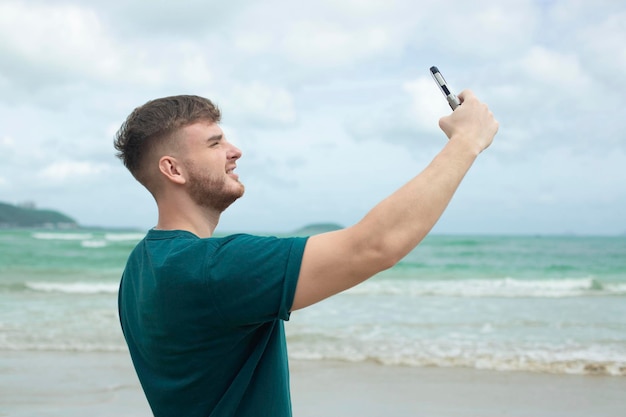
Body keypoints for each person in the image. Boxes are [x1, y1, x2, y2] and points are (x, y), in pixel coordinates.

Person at [114, 91, 498, 417]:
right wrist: (465, 142)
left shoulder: (140, 267)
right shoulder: (210, 268)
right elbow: (373, 246)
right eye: (215, 144)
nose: (235, 151)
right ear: (173, 169)